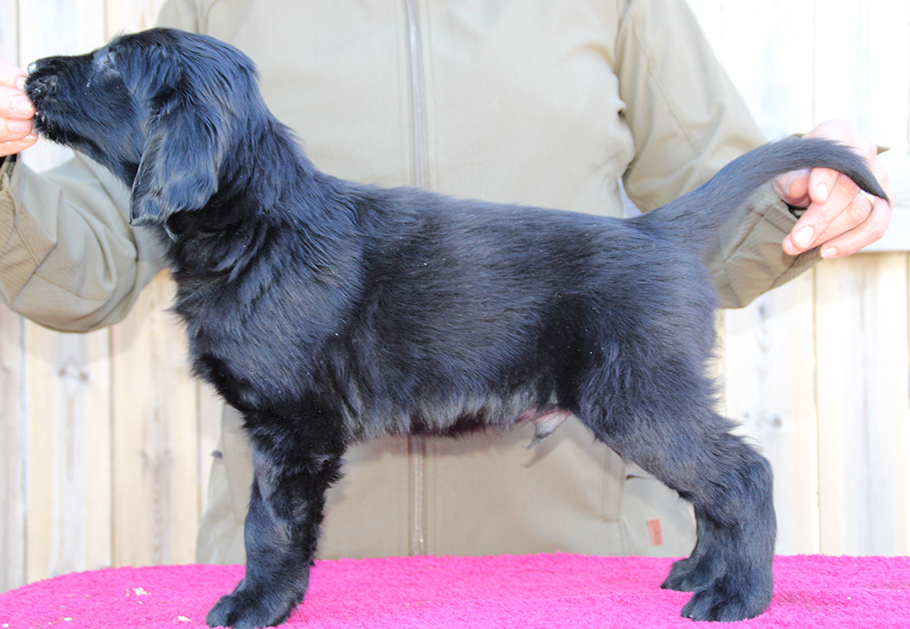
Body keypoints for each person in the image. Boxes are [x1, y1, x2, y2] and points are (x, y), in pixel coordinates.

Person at [0, 0, 893, 565]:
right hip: (313, 575)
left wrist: (798, 201)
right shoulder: (214, 11)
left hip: (580, 555)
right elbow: (91, 258)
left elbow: (703, 231)